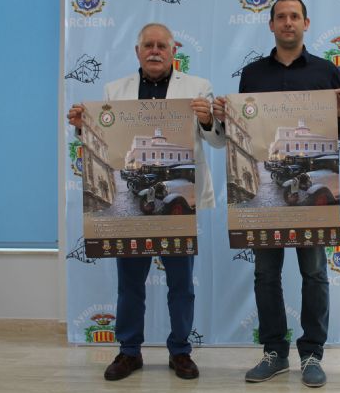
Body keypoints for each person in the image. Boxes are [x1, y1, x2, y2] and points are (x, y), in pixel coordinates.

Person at [67, 23, 225, 381]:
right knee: (130, 283)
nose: (155, 51)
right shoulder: (114, 90)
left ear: (174, 51)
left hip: (180, 202)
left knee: (181, 284)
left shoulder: (198, 87)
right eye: (148, 45)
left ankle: (180, 351)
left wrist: (206, 120)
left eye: (162, 46)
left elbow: (217, 142)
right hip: (133, 203)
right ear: (138, 52)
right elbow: (106, 138)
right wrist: (82, 127)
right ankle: (129, 352)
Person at [212, 0, 340, 388]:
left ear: (306, 23)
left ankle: (312, 354)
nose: (288, 22)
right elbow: (245, 132)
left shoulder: (327, 71)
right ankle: (274, 352)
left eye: (294, 16)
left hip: (314, 190)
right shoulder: (252, 74)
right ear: (271, 25)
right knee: (265, 275)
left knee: (315, 273)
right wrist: (225, 118)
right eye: (281, 17)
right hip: (267, 194)